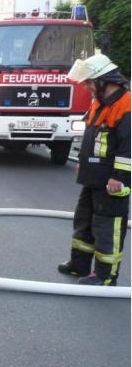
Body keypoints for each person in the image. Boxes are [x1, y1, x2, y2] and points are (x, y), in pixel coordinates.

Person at [58, 54, 130, 286]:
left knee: (107, 226)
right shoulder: (99, 103)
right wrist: (83, 161)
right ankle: (79, 264)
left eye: (89, 82)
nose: (87, 87)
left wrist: (119, 177)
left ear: (103, 81)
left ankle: (105, 275)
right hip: (93, 176)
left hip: (112, 181)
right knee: (85, 220)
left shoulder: (126, 105)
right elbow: (92, 136)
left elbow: (127, 145)